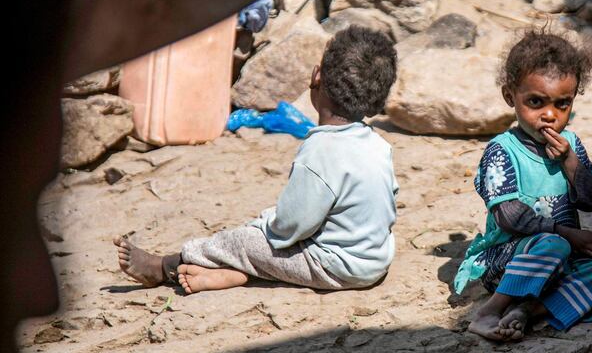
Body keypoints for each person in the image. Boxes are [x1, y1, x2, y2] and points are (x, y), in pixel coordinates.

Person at [114, 27, 399, 293]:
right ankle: (235, 274)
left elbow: (289, 228)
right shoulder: (377, 145)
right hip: (375, 260)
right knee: (266, 235)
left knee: (241, 241)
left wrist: (260, 226)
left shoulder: (320, 151)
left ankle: (166, 266)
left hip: (337, 268)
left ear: (316, 76)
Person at [453, 31, 592, 341]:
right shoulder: (502, 150)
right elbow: (509, 216)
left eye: (562, 104)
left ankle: (527, 311)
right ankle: (491, 310)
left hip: (562, 261)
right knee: (553, 244)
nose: (549, 115)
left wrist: (569, 162)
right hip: (509, 260)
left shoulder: (571, 145)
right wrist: (569, 235)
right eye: (536, 102)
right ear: (510, 96)